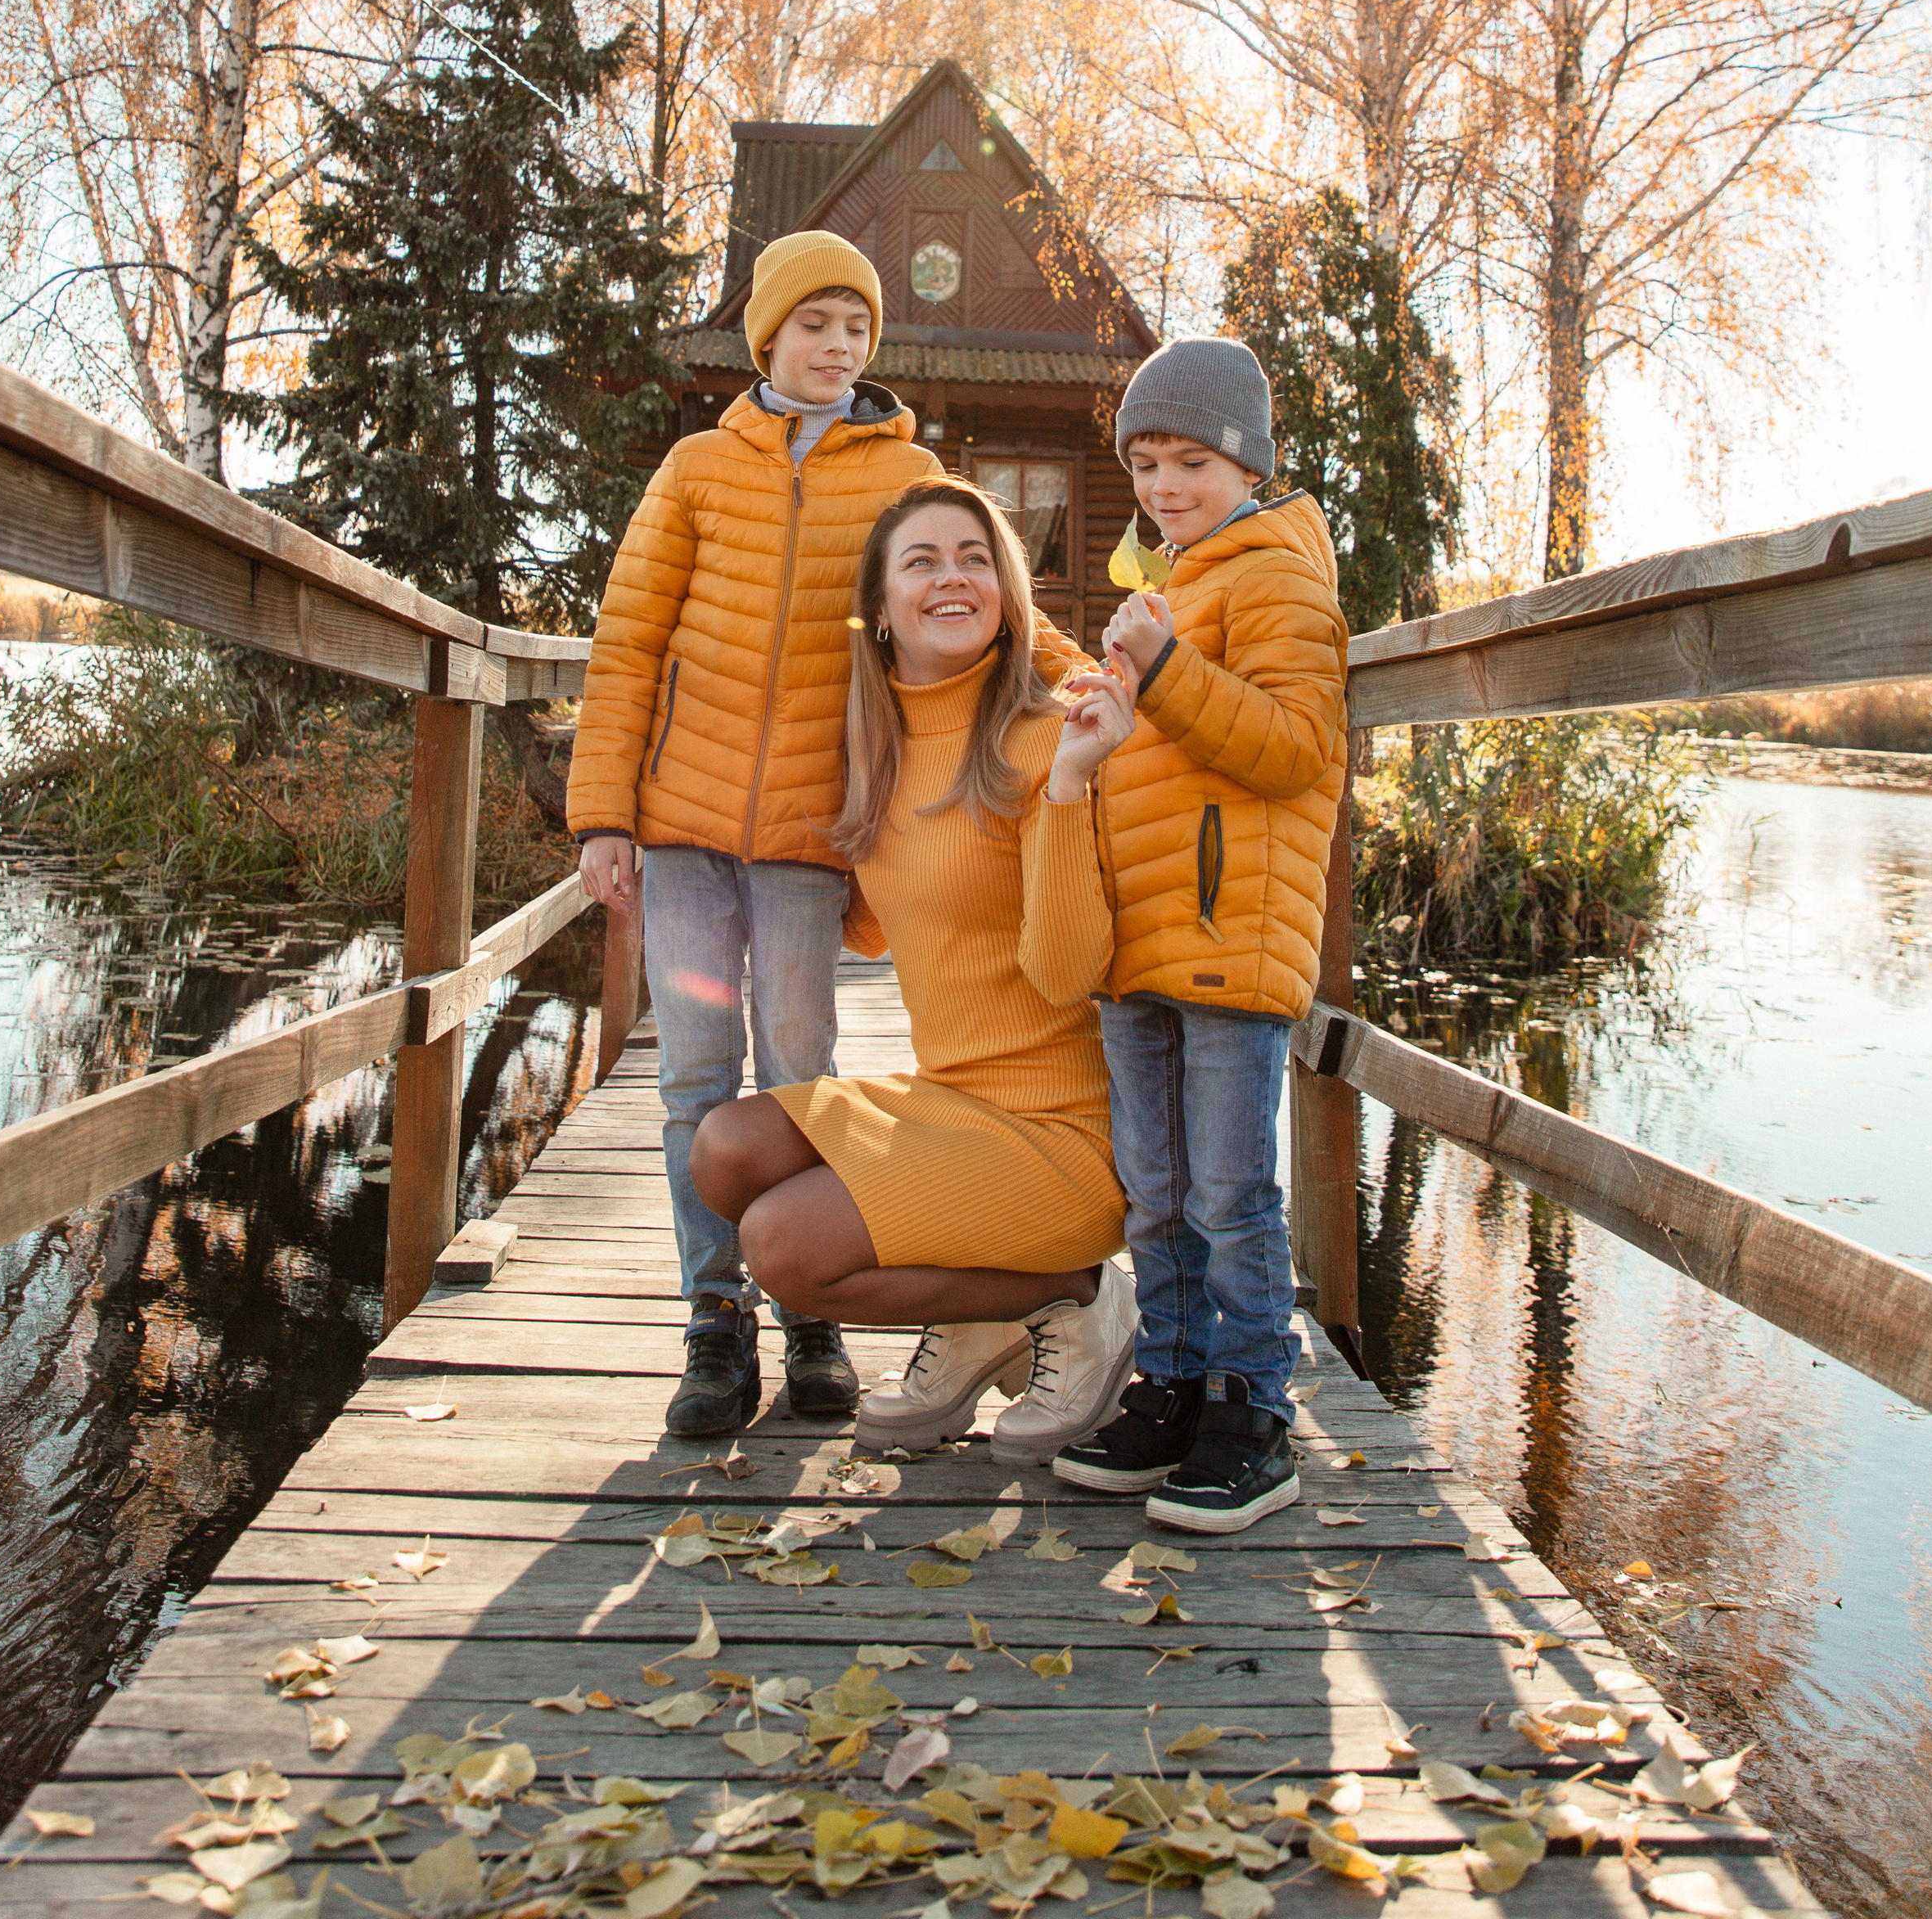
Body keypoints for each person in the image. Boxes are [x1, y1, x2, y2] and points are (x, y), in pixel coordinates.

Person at [565, 227, 949, 1439]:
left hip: (803, 837)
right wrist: (604, 815)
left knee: (797, 1073)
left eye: (858, 330)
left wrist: (1078, 679)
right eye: (816, 325)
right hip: (679, 830)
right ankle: (712, 1320)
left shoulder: (906, 473)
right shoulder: (694, 469)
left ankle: (808, 1311)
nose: (838, 348)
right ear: (768, 334)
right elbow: (628, 644)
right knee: (692, 1078)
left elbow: (965, 593)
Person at [686, 480, 1142, 1464]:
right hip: (949, 1098)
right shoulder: (878, 743)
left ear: (1009, 594)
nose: (952, 578)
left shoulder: (1043, 737)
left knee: (785, 1249)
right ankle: (979, 1315)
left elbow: (1068, 976)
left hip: (1060, 1131)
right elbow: (875, 930)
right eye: (922, 562)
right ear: (880, 610)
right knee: (724, 1148)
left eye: (975, 558)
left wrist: (1068, 788)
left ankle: (1073, 1293)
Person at [1048, 335, 1348, 1533]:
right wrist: (1117, 707)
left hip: (1231, 932)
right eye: (1147, 464)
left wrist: (1164, 669)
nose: (1167, 486)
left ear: (1248, 466)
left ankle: (1253, 1409)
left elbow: (1293, 750)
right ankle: (1172, 1385)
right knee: (1158, 1192)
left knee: (1231, 1193)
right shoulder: (1175, 580)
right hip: (1143, 939)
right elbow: (1171, 745)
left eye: (1192, 463)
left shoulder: (1277, 577)